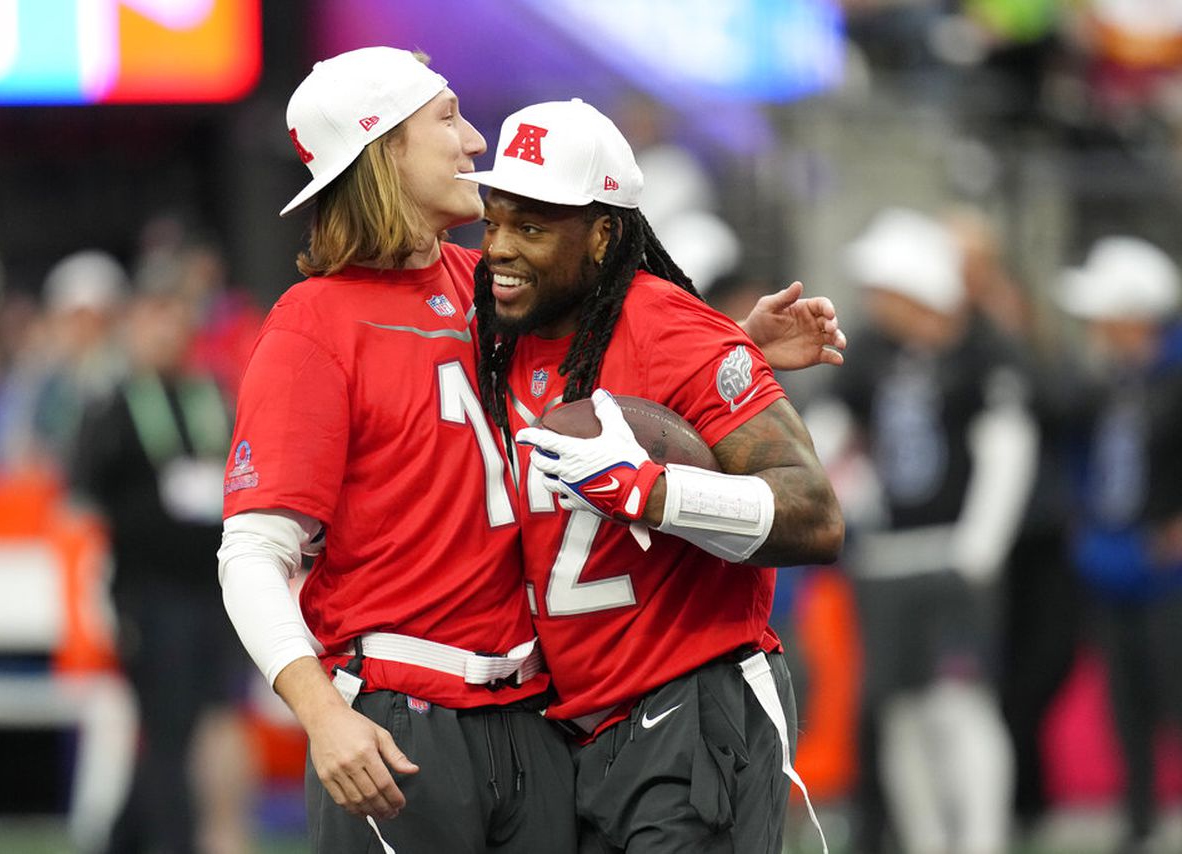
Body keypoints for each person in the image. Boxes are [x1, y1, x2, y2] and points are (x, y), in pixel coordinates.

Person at [216, 47, 845, 854]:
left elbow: (618, 343)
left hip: (541, 726)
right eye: (446, 117)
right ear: (382, 152)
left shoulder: (492, 283)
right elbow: (252, 552)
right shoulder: (313, 326)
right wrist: (321, 712)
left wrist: (725, 348)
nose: (474, 142)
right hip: (405, 718)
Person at [463, 98, 844, 853]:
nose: (500, 248)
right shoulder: (506, 331)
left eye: (532, 227)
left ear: (604, 235)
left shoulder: (672, 328)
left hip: (689, 705)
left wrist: (651, 491)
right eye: (494, 220)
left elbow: (815, 515)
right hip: (576, 724)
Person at [812, 208, 1038, 854]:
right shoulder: (871, 354)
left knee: (959, 707)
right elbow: (826, 436)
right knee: (900, 713)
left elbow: (1006, 450)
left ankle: (981, 841)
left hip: (950, 559)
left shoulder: (981, 352)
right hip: (884, 561)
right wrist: (845, 496)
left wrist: (980, 544)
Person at [72, 289, 255, 854]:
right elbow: (84, 501)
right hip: (149, 593)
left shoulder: (213, 398)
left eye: (174, 320)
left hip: (216, 590)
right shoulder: (115, 406)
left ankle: (135, 839)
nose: (165, 334)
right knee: (169, 726)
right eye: (153, 319)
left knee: (215, 719)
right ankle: (173, 841)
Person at [1055, 235, 1182, 854]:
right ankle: (1139, 820)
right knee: (1126, 699)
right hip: (1111, 561)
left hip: (1168, 571)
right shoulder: (1108, 382)